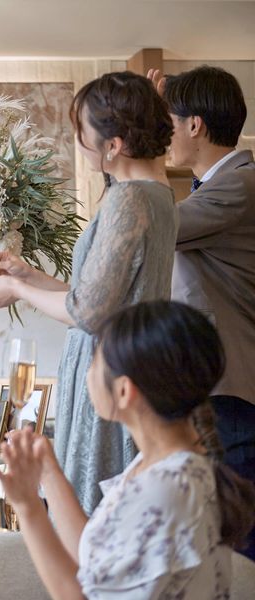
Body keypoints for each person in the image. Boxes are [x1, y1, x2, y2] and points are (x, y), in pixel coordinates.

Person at [0, 71, 177, 512]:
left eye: (82, 130)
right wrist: (28, 275)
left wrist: (15, 287)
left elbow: (88, 312)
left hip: (105, 368)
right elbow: (103, 296)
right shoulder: (159, 195)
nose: (78, 141)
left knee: (90, 507)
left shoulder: (129, 199)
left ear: (114, 145)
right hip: (132, 362)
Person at [0, 301, 255, 599]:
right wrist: (48, 471)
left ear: (123, 391)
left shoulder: (163, 490)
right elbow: (96, 559)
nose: (87, 374)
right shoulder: (165, 466)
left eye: (94, 363)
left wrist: (28, 506)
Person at [149, 65, 255, 560]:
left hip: (234, 396)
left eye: (166, 122)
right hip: (216, 394)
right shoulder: (215, 188)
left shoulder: (240, 186)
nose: (163, 134)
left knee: (237, 550)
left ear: (194, 125)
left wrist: (140, 138)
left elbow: (150, 224)